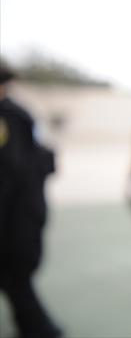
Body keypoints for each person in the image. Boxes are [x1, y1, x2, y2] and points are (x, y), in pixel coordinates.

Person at [0, 66, 62, 338]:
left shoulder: (9, 117)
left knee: (16, 278)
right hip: (26, 212)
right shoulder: (20, 114)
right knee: (14, 280)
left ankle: (41, 330)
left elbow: (11, 174)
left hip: (17, 217)